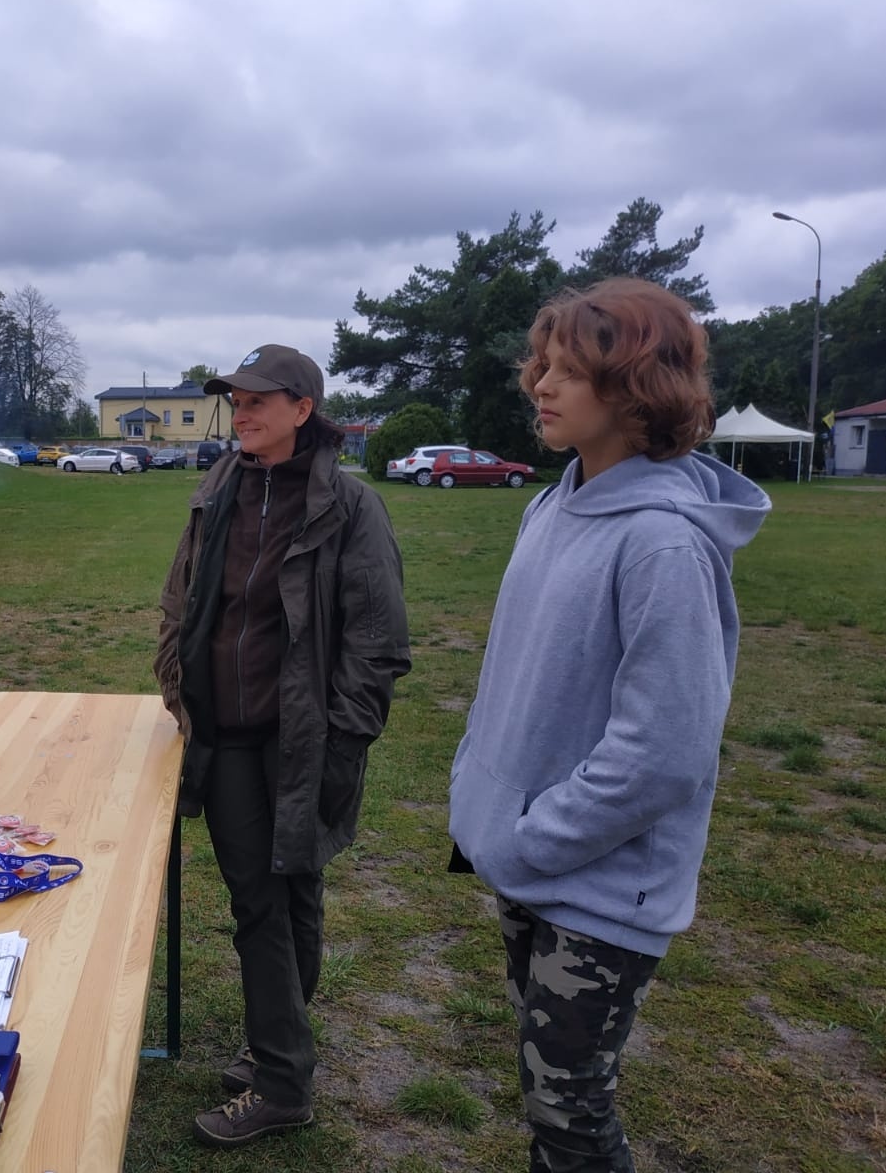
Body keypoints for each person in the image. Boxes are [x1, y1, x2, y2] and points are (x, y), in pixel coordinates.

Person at [446, 279, 770, 1172]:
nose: (540, 385)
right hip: (525, 857)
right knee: (544, 1089)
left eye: (569, 372)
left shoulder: (663, 542)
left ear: (637, 387)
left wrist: (529, 838)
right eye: (540, 366)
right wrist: (482, 794)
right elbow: (514, 676)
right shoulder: (552, 503)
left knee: (572, 1114)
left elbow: (664, 754)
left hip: (599, 887)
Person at [154, 344, 411, 1148]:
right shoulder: (220, 489)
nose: (244, 414)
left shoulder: (350, 506)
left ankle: (281, 1078)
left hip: (307, 738)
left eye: (260, 401)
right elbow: (182, 597)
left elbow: (378, 637)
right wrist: (175, 681)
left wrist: (345, 734)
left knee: (292, 892)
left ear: (304, 409)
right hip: (225, 735)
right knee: (264, 902)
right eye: (237, 401)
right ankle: (281, 1052)